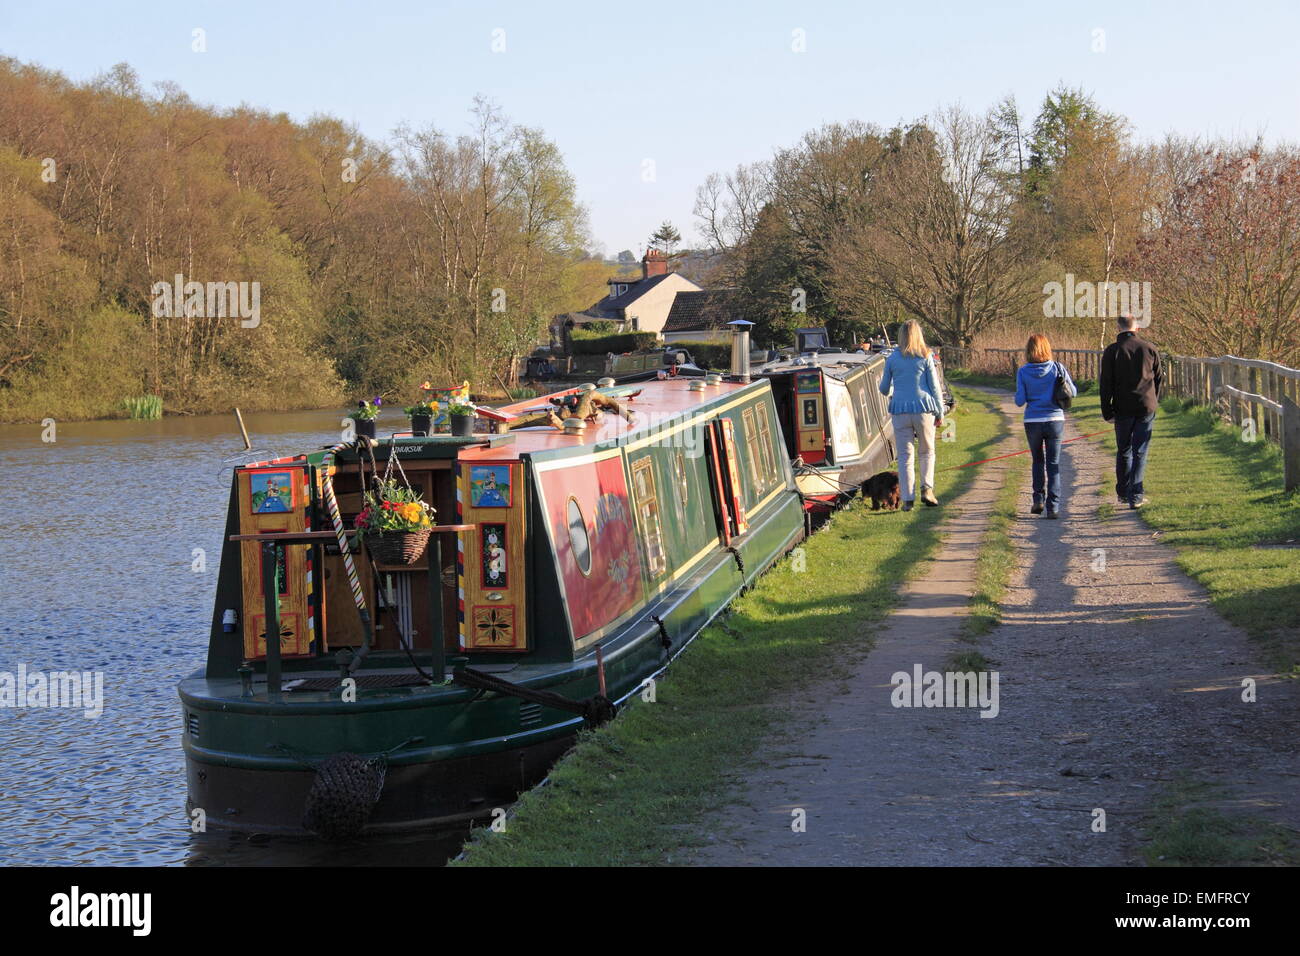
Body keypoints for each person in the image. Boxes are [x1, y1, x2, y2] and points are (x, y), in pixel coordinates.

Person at [878, 320, 945, 511]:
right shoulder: (926, 356)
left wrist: (894, 386)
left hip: (900, 410)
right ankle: (927, 490)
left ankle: (907, 500)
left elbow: (883, 389)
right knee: (927, 451)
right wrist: (940, 412)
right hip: (924, 409)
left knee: (905, 456)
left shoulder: (892, 359)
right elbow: (935, 388)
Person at [1100, 313, 1162, 509]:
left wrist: (1107, 410)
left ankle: (1123, 492)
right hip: (1146, 405)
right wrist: (1154, 400)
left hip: (1122, 407)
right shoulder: (1150, 348)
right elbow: (1159, 379)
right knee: (1140, 451)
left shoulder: (1112, 351)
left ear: (1118, 328)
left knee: (1124, 450)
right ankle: (1136, 494)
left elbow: (1105, 384)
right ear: (1137, 328)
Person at [1014, 334, 1076, 519]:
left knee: (1037, 460)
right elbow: (1072, 392)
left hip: (1033, 421)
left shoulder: (1023, 372)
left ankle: (1038, 499)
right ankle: (1053, 506)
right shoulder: (1058, 368)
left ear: (1028, 350)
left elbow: (1019, 401)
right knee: (1053, 462)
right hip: (1055, 420)